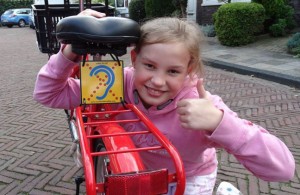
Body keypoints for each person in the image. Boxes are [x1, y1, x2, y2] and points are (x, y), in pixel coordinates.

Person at [33, 9, 295, 195]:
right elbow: (49, 94)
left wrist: (219, 122)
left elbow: (282, 170)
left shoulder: (200, 105)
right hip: (138, 177)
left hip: (189, 177)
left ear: (189, 69)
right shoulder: (115, 84)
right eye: (149, 65)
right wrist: (69, 52)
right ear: (134, 58)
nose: (157, 81)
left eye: (172, 71)